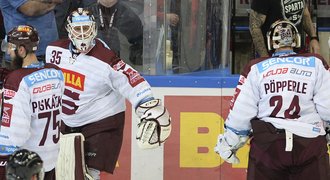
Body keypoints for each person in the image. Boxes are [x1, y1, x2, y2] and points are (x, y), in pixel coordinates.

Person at [45, 8, 171, 179]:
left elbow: (131, 79)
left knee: (87, 174)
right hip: (67, 120)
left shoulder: (105, 59)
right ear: (69, 30)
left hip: (102, 120)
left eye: (86, 28)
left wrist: (148, 104)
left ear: (94, 29)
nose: (82, 34)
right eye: (78, 29)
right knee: (60, 171)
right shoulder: (53, 51)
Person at [215, 20, 330, 180]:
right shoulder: (315, 63)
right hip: (309, 145)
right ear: (296, 39)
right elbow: (328, 107)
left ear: (270, 41)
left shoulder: (256, 67)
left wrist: (229, 142)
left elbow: (242, 111)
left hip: (269, 148)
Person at [0, 25, 65, 180]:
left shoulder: (17, 81)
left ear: (21, 50)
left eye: (10, 48)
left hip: (25, 164)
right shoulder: (56, 73)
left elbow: (14, 134)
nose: (8, 52)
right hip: (50, 159)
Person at [0, 0, 62, 67]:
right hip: (21, 56)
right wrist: (54, 2)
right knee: (17, 77)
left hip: (51, 50)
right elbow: (30, 9)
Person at [82, 0, 144, 66]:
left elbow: (138, 39)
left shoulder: (127, 14)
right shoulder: (87, 12)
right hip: (91, 64)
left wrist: (136, 55)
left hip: (115, 63)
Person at [249, 0, 320, 57]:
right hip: (272, 54)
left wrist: (313, 38)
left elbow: (304, 13)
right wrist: (264, 57)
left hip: (297, 52)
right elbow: (254, 26)